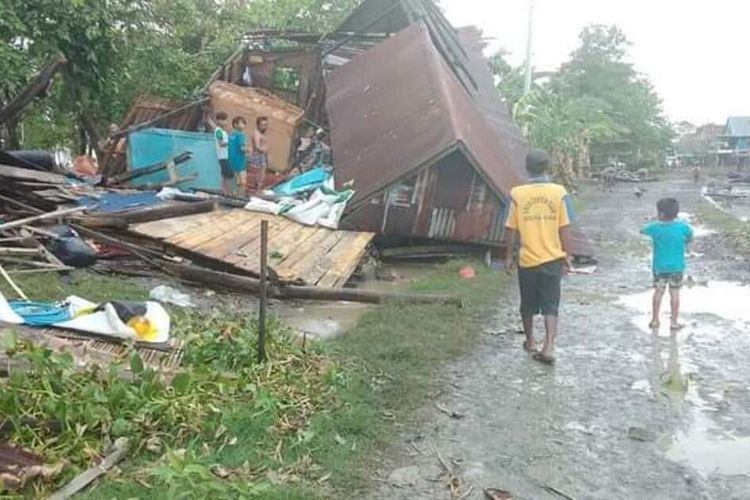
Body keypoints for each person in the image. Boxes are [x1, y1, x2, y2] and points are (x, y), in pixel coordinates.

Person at [504, 149, 574, 365]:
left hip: (528, 259)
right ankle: (549, 346)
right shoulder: (559, 192)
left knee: (527, 302)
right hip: (552, 258)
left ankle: (531, 341)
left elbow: (510, 228)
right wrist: (567, 255)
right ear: (547, 168)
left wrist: (508, 256)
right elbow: (565, 227)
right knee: (551, 303)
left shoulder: (517, 194)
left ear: (527, 167)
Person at [641, 198, 693, 331]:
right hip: (677, 267)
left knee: (658, 292)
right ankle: (674, 322)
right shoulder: (682, 227)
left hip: (660, 267)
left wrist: (653, 221)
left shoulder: (654, 228)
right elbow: (690, 236)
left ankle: (654, 320)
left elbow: (642, 231)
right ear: (676, 213)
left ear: (661, 214)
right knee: (675, 293)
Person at [228, 116, 251, 195]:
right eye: (242, 123)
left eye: (244, 123)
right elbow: (242, 148)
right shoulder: (241, 135)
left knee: (234, 179)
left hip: (231, 160)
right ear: (235, 124)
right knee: (242, 181)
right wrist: (249, 149)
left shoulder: (231, 135)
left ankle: (232, 194)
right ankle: (240, 196)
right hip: (240, 161)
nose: (244, 125)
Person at [211, 112, 232, 195]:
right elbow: (221, 143)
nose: (224, 122)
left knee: (224, 174)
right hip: (222, 155)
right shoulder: (219, 131)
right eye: (222, 120)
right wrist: (230, 142)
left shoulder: (221, 131)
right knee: (229, 174)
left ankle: (223, 190)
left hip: (224, 155)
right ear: (217, 121)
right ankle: (228, 191)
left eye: (225, 120)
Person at [250, 116, 270, 190]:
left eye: (266, 125)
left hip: (262, 156)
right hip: (258, 156)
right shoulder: (257, 134)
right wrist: (264, 150)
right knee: (260, 173)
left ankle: (258, 186)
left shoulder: (262, 133)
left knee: (261, 172)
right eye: (263, 125)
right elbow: (257, 146)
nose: (265, 127)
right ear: (258, 125)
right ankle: (258, 188)